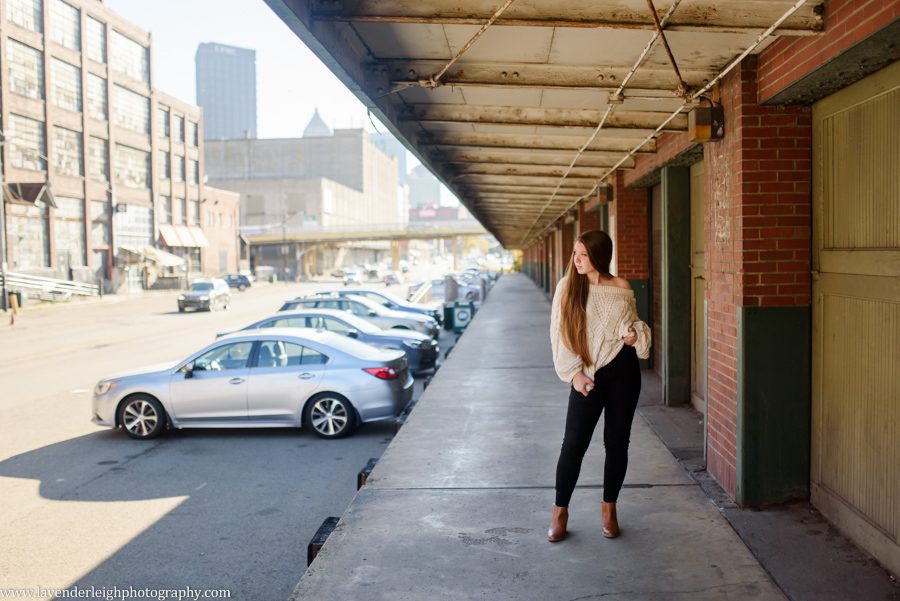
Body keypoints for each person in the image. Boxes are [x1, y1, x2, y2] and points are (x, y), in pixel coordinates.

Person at [547, 229, 651, 542]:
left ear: (599, 256)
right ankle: (560, 511)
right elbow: (559, 332)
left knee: (617, 443)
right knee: (574, 443)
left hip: (623, 372)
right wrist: (574, 373)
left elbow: (632, 326)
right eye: (575, 254)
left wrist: (634, 334)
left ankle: (609, 509)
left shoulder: (621, 287)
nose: (577, 260)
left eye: (583, 254)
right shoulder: (568, 286)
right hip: (586, 375)